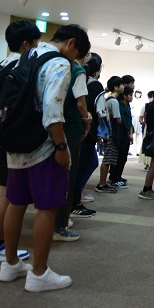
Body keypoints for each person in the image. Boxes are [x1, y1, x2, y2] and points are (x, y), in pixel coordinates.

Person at [0, 24, 91, 292]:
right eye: (77, 55)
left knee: (16, 203)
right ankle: (39, 273)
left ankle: (10, 264)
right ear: (71, 43)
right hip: (43, 145)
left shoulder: (25, 55)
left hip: (15, 140)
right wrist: (61, 146)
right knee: (47, 207)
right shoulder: (59, 63)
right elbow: (52, 108)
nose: (74, 61)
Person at [0, 20, 39, 262]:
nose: (36, 48)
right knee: (4, 195)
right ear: (26, 44)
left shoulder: (0, 65)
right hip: (7, 138)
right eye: (35, 43)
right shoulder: (21, 67)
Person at [51, 50, 91, 240]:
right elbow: (81, 104)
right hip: (70, 128)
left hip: (49, 126)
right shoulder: (77, 70)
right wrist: (87, 119)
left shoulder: (50, 64)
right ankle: (60, 224)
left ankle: (51, 219)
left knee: (52, 176)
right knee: (67, 176)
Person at [72, 53, 103, 216]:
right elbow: (100, 112)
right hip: (86, 131)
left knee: (87, 163)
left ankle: (76, 194)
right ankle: (74, 202)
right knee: (80, 167)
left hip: (75, 129)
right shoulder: (95, 85)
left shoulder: (74, 77)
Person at [95, 76, 123, 192]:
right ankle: (102, 184)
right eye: (121, 85)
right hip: (112, 134)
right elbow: (118, 119)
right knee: (107, 160)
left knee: (108, 159)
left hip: (108, 133)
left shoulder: (107, 99)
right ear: (116, 87)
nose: (123, 87)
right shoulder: (114, 101)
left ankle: (103, 183)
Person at [110, 85, 134, 186]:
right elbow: (122, 122)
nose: (132, 97)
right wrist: (128, 134)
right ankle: (115, 178)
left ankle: (118, 176)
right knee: (119, 158)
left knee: (123, 158)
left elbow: (129, 121)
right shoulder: (119, 105)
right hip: (121, 135)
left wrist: (131, 133)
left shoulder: (127, 106)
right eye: (130, 95)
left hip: (127, 135)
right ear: (124, 96)